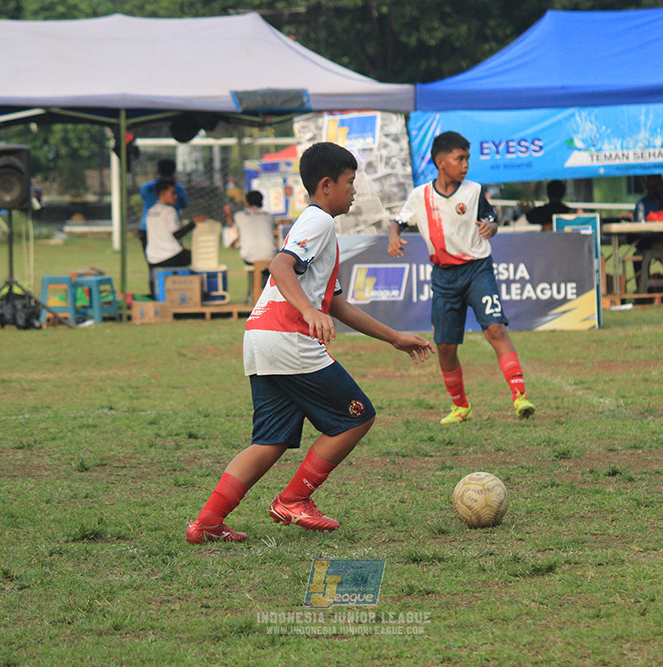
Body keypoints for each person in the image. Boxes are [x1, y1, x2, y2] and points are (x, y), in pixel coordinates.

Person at [186, 142, 434, 544]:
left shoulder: (319, 227)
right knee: (357, 416)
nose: (354, 191)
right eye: (350, 182)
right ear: (326, 185)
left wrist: (394, 338)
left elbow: (335, 302)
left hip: (261, 337)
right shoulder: (318, 222)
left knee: (270, 440)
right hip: (287, 338)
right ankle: (294, 499)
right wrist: (307, 311)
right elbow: (280, 266)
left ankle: (206, 523)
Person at [388, 131, 536, 424]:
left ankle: (520, 397)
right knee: (445, 346)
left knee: (495, 330)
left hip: (477, 269)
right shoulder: (420, 196)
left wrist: (491, 228)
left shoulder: (475, 191)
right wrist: (393, 237)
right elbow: (399, 221)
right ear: (441, 162)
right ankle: (461, 407)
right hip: (443, 278)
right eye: (460, 158)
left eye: (467, 158)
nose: (466, 164)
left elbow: (492, 218)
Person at [145, 180, 196, 298]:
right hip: (170, 256)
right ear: (162, 195)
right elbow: (177, 234)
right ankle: (198, 293)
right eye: (173, 193)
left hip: (153, 258)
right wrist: (193, 223)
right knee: (199, 258)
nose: (176, 196)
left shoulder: (150, 212)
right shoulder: (170, 211)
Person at [233, 190, 278, 296]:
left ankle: (252, 294)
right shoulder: (269, 216)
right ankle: (266, 291)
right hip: (270, 255)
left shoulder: (239, 215)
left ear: (247, 203)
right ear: (262, 202)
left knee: (254, 264)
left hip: (249, 256)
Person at [138, 158, 188, 253]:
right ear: (174, 171)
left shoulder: (146, 187)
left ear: (158, 170)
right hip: (170, 229)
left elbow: (144, 198)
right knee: (173, 255)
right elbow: (184, 204)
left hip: (147, 228)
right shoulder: (177, 188)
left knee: (153, 259)